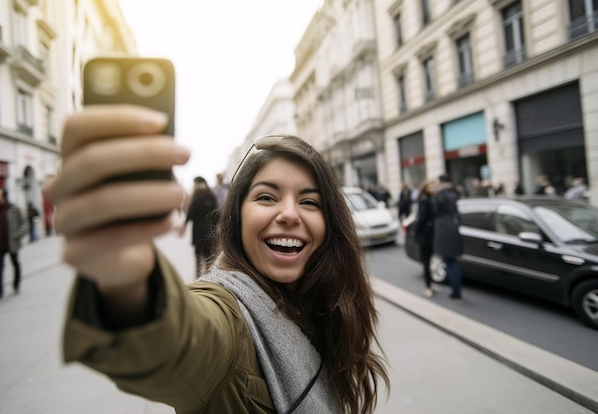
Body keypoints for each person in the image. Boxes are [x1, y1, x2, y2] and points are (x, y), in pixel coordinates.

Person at [43, 105, 389, 414]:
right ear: (236, 216)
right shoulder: (225, 311)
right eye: (267, 197)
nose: (289, 214)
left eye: (309, 201)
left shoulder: (323, 301)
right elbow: (176, 341)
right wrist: (124, 277)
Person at [178, 176, 220, 278]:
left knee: (198, 258)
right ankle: (209, 276)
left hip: (198, 232)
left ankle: (198, 277)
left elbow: (191, 213)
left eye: (195, 183)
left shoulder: (196, 195)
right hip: (210, 231)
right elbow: (217, 214)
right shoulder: (210, 194)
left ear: (197, 183)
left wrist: (184, 224)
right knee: (209, 257)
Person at [433, 174, 464, 300]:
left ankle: (455, 292)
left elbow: (434, 211)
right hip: (453, 228)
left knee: (449, 262)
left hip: (444, 230)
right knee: (453, 262)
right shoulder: (454, 193)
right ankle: (456, 290)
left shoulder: (441, 195)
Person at [414, 179, 437, 298]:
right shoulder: (425, 200)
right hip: (426, 236)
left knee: (430, 261)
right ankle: (428, 286)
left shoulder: (432, 199)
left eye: (435, 186)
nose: (434, 188)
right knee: (426, 262)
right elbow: (421, 219)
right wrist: (417, 235)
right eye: (431, 186)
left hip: (431, 235)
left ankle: (431, 284)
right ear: (426, 188)